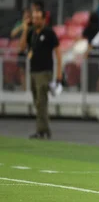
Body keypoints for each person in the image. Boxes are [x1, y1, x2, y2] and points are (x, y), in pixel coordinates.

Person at [19, 9, 62, 139]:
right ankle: (44, 129)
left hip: (45, 72)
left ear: (44, 20)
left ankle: (41, 130)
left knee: (41, 101)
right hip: (33, 71)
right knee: (37, 101)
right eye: (34, 18)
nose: (35, 20)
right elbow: (21, 48)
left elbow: (58, 52)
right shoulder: (31, 32)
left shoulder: (49, 33)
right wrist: (25, 29)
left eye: (38, 18)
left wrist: (58, 73)